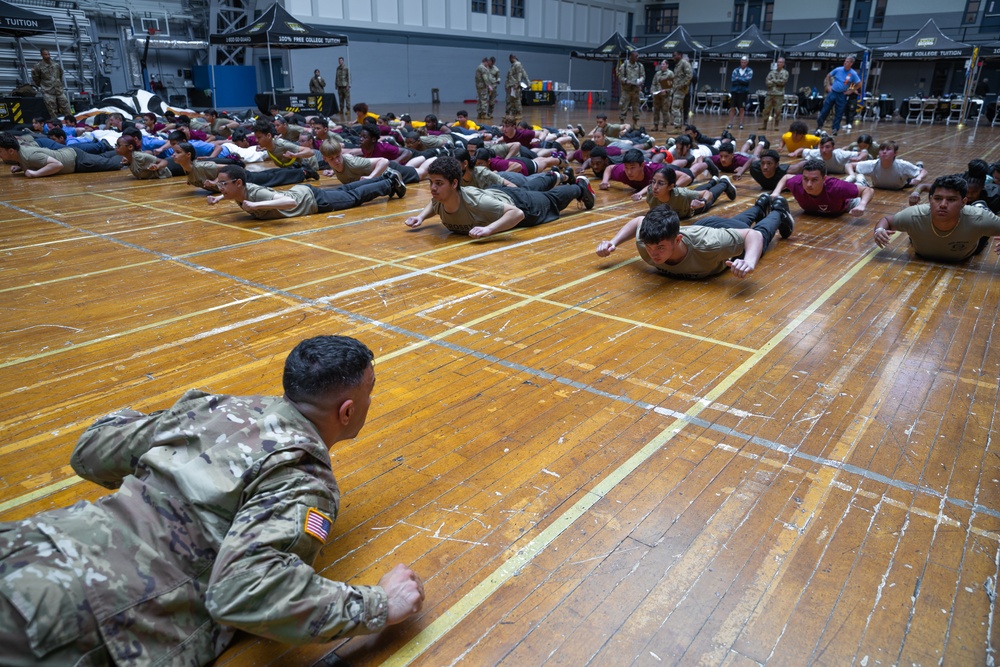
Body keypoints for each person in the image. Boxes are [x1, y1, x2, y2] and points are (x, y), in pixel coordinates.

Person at [0, 336, 425, 665]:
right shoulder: (302, 478)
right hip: (85, 613)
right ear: (347, 411)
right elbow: (243, 592)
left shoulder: (214, 408)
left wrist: (164, 426)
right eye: (372, 388)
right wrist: (379, 605)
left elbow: (90, 452)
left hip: (33, 544)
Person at [596, 195, 794, 279]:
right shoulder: (646, 241)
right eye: (650, 248)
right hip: (702, 228)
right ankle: (759, 206)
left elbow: (754, 235)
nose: (653, 254)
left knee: (760, 236)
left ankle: (778, 212)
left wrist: (749, 261)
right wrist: (613, 242)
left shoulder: (711, 245)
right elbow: (639, 220)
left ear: (677, 240)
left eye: (660, 248)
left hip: (705, 234)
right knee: (737, 225)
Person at [403, 156, 594, 238]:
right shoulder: (441, 198)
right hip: (498, 193)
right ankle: (553, 176)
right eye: (431, 182)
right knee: (527, 186)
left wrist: (489, 230)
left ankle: (580, 187)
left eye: (439, 183)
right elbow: (433, 203)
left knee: (550, 200)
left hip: (519, 204)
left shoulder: (475, 202)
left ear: (454, 184)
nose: (433, 189)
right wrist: (420, 217)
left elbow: (517, 214)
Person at [873, 175, 1000, 262]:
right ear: (930, 199)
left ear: (963, 202)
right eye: (938, 198)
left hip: (967, 253)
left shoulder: (979, 218)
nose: (943, 204)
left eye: (951, 200)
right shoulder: (914, 215)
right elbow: (886, 220)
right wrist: (879, 231)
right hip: (922, 252)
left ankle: (980, 205)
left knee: (982, 235)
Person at [207, 164, 405, 219]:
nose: (221, 187)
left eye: (223, 184)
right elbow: (229, 193)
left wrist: (257, 205)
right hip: (304, 192)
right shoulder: (237, 191)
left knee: (352, 197)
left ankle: (388, 183)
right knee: (345, 189)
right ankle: (385, 178)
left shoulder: (256, 195)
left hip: (311, 200)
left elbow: (290, 203)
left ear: (238, 183)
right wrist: (218, 198)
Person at [772, 157, 873, 217]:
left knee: (858, 186)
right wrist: (776, 192)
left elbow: (868, 190)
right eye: (805, 179)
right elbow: (786, 177)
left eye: (814, 180)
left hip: (847, 203)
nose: (808, 184)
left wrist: (862, 205)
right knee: (845, 184)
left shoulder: (836, 187)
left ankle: (860, 179)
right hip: (833, 196)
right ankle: (851, 177)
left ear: (824, 179)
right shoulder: (797, 182)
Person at [0, 131, 123, 177]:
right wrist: (21, 166)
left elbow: (57, 165)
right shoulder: (20, 153)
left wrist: (36, 174)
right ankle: (119, 151)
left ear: (11, 151)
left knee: (111, 164)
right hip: (72, 155)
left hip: (76, 161)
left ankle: (128, 154)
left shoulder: (29, 155)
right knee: (102, 158)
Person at [845, 140, 927, 190]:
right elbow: (849, 165)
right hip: (879, 187)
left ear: (895, 153)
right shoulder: (873, 164)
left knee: (917, 171)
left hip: (901, 186)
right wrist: (852, 175)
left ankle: (919, 165)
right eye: (881, 149)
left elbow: (924, 171)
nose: (884, 152)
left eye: (888, 150)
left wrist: (919, 178)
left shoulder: (902, 165)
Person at [815, 55, 861, 137]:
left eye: (847, 61)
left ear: (851, 63)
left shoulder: (853, 73)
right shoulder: (838, 69)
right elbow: (828, 75)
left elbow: (859, 84)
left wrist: (851, 91)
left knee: (839, 113)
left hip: (842, 95)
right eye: (845, 61)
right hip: (833, 92)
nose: (845, 62)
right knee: (825, 110)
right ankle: (819, 126)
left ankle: (835, 129)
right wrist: (828, 86)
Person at [789, 135, 863, 175]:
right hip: (828, 171)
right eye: (821, 147)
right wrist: (795, 152)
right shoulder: (816, 153)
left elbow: (864, 153)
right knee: (804, 162)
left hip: (843, 170)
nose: (824, 150)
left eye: (827, 147)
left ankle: (846, 147)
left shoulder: (841, 154)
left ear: (833, 148)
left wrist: (859, 158)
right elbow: (802, 150)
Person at [31, 49, 72, 119]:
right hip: (48, 91)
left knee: (66, 106)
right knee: (52, 110)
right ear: (42, 55)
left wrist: (58, 83)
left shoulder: (56, 65)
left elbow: (60, 75)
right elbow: (36, 78)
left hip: (59, 90)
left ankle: (71, 121)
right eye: (45, 54)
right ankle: (56, 124)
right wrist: (43, 85)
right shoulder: (38, 66)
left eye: (48, 54)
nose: (48, 56)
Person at [761, 57, 789, 131]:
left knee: (778, 110)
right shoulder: (771, 72)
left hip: (779, 94)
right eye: (778, 62)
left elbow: (783, 82)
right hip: (770, 93)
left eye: (780, 62)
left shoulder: (785, 72)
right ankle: (764, 124)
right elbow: (767, 82)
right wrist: (776, 82)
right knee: (766, 109)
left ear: (783, 64)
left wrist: (773, 81)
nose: (778, 63)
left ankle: (776, 125)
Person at [618, 50, 645, 125]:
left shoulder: (640, 66)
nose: (637, 57)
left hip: (636, 91)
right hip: (626, 90)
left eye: (637, 56)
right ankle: (622, 122)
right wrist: (626, 80)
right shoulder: (624, 66)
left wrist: (640, 81)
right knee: (623, 106)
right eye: (636, 56)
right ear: (631, 56)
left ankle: (635, 123)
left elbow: (642, 76)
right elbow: (620, 77)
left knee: (636, 107)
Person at [728, 57, 753, 130]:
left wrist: (738, 78)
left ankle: (741, 124)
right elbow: (733, 79)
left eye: (745, 62)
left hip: (743, 92)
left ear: (747, 62)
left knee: (742, 108)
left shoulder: (750, 71)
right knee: (732, 108)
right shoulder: (736, 70)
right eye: (742, 62)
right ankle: (730, 123)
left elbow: (747, 81)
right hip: (734, 91)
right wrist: (742, 79)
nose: (743, 63)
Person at [671, 50, 693, 129]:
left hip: (681, 89)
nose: (673, 57)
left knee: (675, 107)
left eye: (675, 55)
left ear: (680, 55)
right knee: (677, 107)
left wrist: (682, 85)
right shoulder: (678, 65)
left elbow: (689, 75)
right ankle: (678, 126)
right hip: (677, 89)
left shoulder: (684, 63)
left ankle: (677, 127)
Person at [650, 60, 674, 132]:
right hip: (657, 96)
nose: (662, 66)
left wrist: (666, 90)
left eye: (663, 64)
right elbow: (653, 83)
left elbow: (672, 86)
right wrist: (653, 91)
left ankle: (664, 126)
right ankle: (655, 125)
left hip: (665, 96)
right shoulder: (657, 73)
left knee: (665, 111)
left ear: (667, 65)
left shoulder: (670, 74)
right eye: (661, 64)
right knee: (656, 110)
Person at [505, 54, 530, 120]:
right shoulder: (513, 66)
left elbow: (520, 75)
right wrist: (507, 85)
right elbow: (509, 77)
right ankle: (513, 114)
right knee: (511, 100)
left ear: (512, 58)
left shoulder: (517, 65)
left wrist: (517, 83)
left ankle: (519, 113)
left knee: (516, 100)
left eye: (509, 59)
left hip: (515, 86)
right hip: (511, 85)